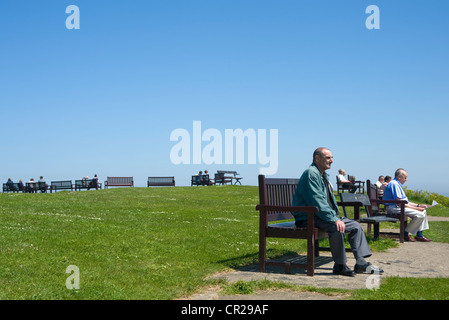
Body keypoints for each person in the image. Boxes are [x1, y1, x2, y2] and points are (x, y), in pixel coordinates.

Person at [292, 147, 383, 276]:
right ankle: (340, 266)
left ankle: (361, 263)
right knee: (337, 227)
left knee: (356, 226)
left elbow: (325, 202)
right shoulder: (311, 173)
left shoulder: (322, 174)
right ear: (317, 158)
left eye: (332, 157)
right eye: (328, 158)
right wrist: (334, 219)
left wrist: (334, 216)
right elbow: (317, 201)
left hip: (321, 215)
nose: (332, 161)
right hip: (308, 217)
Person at [383, 168, 432, 242]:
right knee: (420, 215)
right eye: (405, 177)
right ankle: (405, 234)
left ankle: (419, 235)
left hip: (398, 207)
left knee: (423, 211)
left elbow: (405, 202)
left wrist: (419, 205)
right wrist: (417, 209)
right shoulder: (394, 184)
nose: (406, 180)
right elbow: (400, 203)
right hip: (393, 208)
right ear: (399, 176)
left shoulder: (397, 184)